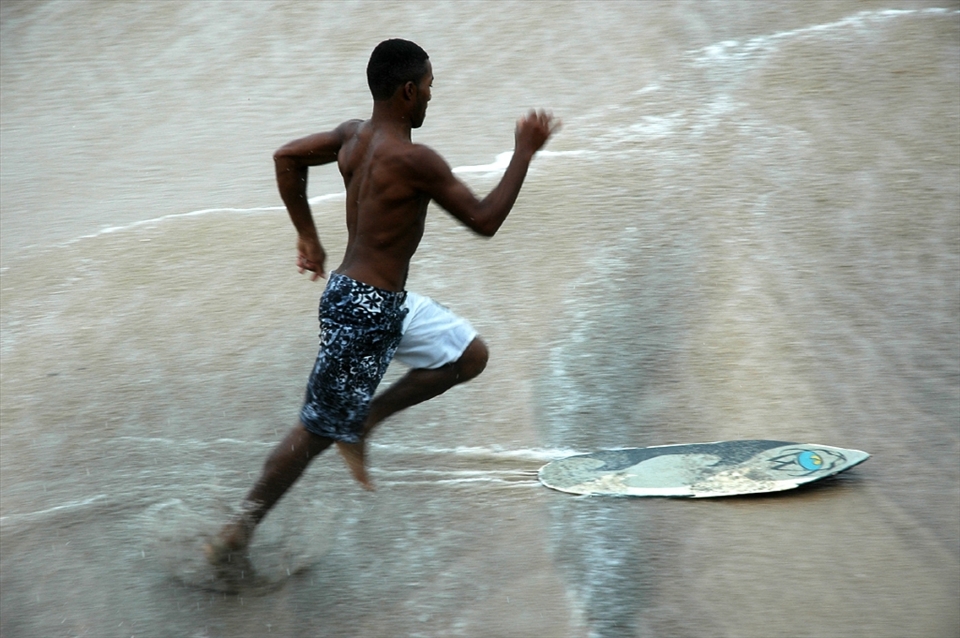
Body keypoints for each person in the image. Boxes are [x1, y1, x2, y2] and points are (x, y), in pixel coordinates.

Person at [206, 38, 558, 563]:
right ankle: (237, 532)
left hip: (370, 300)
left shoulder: (353, 137)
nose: (432, 99)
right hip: (364, 311)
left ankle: (365, 421)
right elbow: (484, 221)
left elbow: (286, 158)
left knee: (469, 356)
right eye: (430, 89)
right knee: (315, 431)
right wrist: (524, 152)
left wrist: (307, 235)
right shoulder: (416, 159)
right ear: (408, 91)